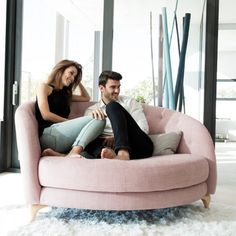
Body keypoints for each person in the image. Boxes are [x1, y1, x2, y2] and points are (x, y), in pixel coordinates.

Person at [35, 59, 105, 157]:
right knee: (98, 119)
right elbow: (45, 114)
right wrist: (68, 122)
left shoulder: (66, 95)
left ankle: (63, 155)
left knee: (92, 152)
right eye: (71, 73)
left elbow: (86, 97)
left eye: (75, 76)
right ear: (60, 71)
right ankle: (73, 152)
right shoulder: (44, 87)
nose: (72, 78)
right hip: (49, 134)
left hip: (63, 137)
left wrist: (78, 81)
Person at [84, 70, 153, 160]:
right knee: (87, 141)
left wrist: (117, 138)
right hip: (108, 146)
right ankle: (107, 155)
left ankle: (123, 153)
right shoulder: (92, 110)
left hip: (137, 146)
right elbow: (86, 136)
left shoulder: (130, 102)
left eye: (118, 87)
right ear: (102, 88)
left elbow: (144, 129)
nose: (117, 91)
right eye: (113, 87)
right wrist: (90, 117)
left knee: (112, 106)